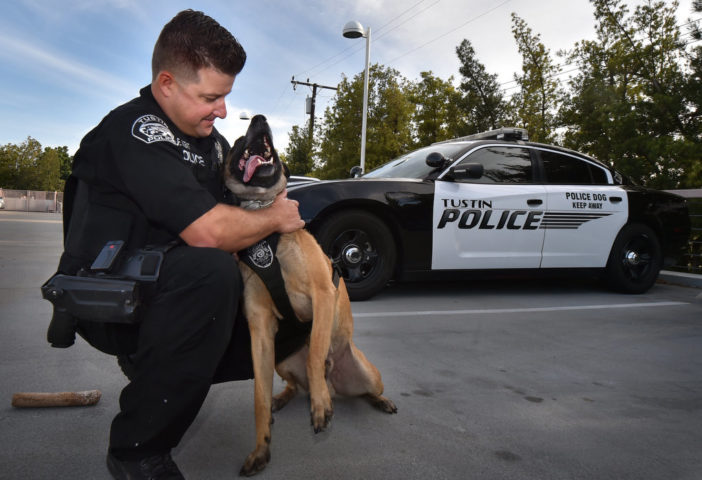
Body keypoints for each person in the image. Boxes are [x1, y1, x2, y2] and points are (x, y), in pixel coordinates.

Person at [54, 10, 304, 480]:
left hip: (168, 290)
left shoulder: (210, 144)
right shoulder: (134, 131)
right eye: (211, 97)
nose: (223, 111)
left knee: (290, 307)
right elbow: (209, 232)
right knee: (209, 271)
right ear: (167, 83)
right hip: (110, 298)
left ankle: (164, 372)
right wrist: (275, 217)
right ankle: (136, 450)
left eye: (226, 97)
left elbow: (236, 221)